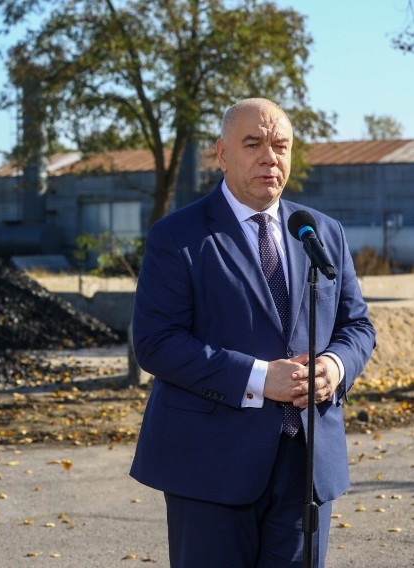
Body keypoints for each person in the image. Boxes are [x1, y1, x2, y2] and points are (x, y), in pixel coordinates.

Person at [129, 98, 375, 567]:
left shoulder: (321, 232)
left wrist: (335, 366)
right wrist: (261, 378)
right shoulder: (177, 236)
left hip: (305, 466)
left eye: (280, 145)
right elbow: (156, 342)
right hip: (210, 467)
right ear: (222, 155)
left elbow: (357, 325)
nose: (270, 157)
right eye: (253, 143)